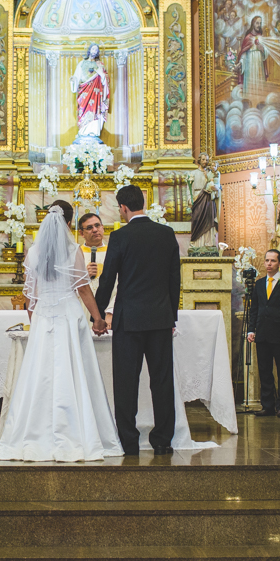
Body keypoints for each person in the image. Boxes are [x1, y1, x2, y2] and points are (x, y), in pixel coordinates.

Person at [0, 206, 122, 462]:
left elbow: (31, 295)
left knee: (40, 374)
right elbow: (83, 289)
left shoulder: (34, 252)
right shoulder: (73, 250)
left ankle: (32, 433)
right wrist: (97, 317)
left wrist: (35, 321)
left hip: (43, 317)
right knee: (73, 372)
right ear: (69, 222)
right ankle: (79, 432)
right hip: (69, 316)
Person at [96, 185, 182, 456]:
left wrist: (97, 317)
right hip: (159, 318)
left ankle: (129, 442)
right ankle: (163, 440)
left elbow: (107, 279)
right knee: (162, 380)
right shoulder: (166, 234)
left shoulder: (120, 236)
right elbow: (174, 280)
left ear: (123, 208)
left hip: (128, 320)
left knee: (126, 382)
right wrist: (172, 317)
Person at [247, 250, 280, 417]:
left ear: (279, 263)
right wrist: (252, 329)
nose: (269, 264)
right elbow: (254, 309)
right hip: (262, 333)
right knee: (265, 371)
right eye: (267, 260)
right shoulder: (259, 284)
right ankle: (268, 405)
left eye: (273, 261)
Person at [78, 212, 115, 327]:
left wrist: (111, 310)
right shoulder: (76, 254)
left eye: (97, 225)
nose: (95, 230)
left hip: (110, 309)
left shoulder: (114, 252)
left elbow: (123, 284)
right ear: (81, 233)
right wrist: (83, 277)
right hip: (82, 308)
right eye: (89, 228)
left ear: (102, 227)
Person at [70, 43, 110, 140]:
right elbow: (76, 77)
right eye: (93, 49)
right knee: (83, 110)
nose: (94, 51)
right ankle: (83, 131)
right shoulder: (82, 63)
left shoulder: (99, 65)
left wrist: (101, 74)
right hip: (84, 92)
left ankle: (93, 131)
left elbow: (105, 80)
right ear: (89, 50)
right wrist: (73, 80)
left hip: (96, 93)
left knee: (95, 110)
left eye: (96, 50)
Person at [188, 154, 222, 250]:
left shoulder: (211, 173)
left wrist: (216, 190)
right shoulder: (193, 173)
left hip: (209, 198)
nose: (205, 161)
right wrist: (190, 199)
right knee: (197, 219)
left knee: (209, 219)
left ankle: (209, 243)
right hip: (197, 198)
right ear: (199, 160)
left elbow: (218, 185)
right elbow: (189, 189)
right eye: (203, 159)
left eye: (207, 160)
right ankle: (196, 244)